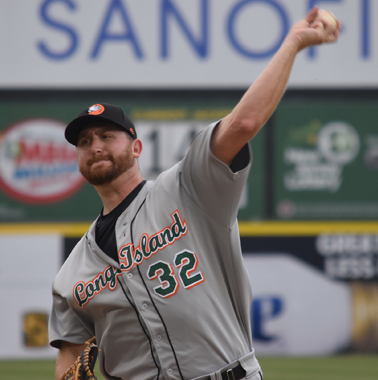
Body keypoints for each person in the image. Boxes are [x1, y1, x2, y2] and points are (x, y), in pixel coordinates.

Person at [49, 7, 340, 380]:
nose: (95, 146)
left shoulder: (189, 189)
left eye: (107, 136)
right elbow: (70, 354)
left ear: (136, 149)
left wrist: (294, 42)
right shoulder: (70, 275)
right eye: (85, 141)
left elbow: (244, 122)